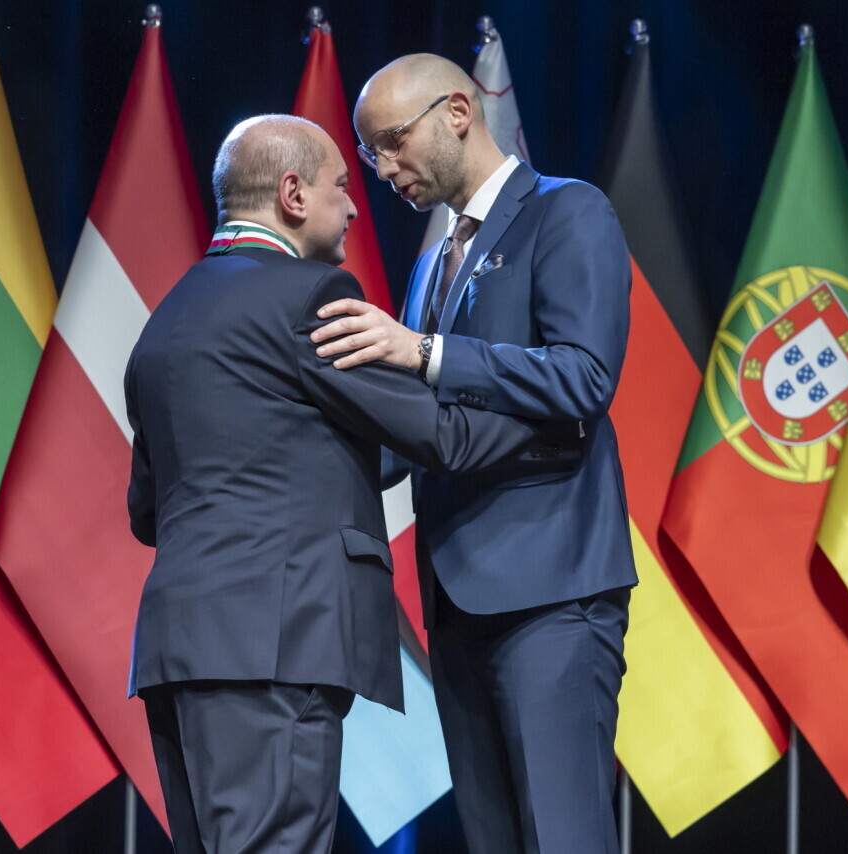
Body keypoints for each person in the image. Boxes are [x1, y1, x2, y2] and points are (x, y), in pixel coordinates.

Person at [124, 114, 571, 854]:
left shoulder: (166, 320)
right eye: (341, 185)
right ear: (293, 195)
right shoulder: (306, 297)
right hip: (274, 646)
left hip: (177, 652)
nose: (357, 205)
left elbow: (148, 512)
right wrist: (558, 419)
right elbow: (440, 434)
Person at [310, 54, 638, 854]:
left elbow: (584, 378)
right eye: (370, 155)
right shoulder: (433, 260)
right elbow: (422, 429)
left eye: (392, 142)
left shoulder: (568, 211)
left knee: (563, 839)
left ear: (458, 112)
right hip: (456, 604)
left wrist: (425, 352)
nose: (383, 170)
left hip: (553, 597)